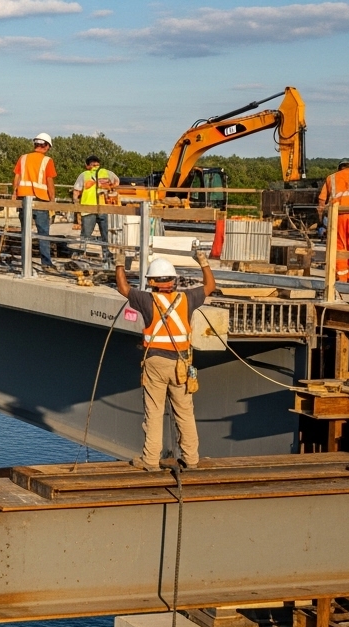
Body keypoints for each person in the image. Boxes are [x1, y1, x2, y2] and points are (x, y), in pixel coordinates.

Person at [113, 254, 216, 471]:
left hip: (155, 362)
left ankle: (150, 461)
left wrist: (119, 263)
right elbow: (210, 285)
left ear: (151, 282)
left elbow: (123, 288)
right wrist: (203, 262)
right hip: (181, 365)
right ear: (173, 280)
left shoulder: (146, 300)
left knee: (154, 411)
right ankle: (191, 459)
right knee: (185, 412)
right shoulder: (188, 298)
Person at [13, 133, 58, 268]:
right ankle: (46, 263)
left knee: (25, 231)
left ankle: (25, 261)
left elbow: (17, 177)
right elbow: (49, 181)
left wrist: (14, 194)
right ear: (46, 146)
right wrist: (52, 200)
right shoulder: (47, 161)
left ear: (35, 145)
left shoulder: (23, 158)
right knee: (43, 233)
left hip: (23, 198)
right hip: (40, 200)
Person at [70, 155, 118, 265]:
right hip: (104, 208)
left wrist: (75, 205)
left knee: (86, 236)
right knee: (106, 235)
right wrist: (110, 189)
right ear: (99, 163)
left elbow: (76, 191)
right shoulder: (107, 173)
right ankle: (107, 260)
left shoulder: (84, 175)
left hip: (88, 209)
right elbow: (117, 182)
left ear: (87, 165)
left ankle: (83, 258)